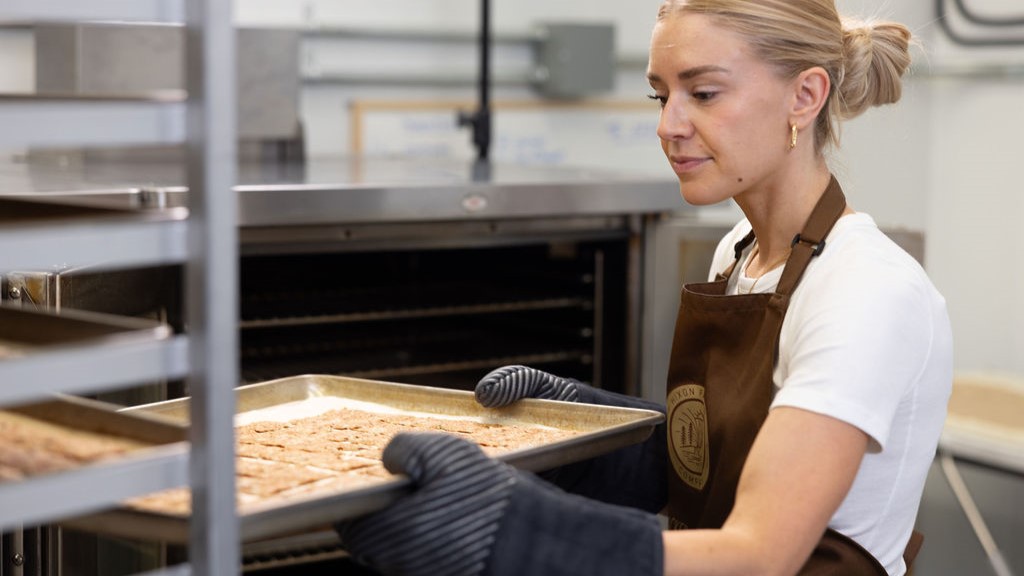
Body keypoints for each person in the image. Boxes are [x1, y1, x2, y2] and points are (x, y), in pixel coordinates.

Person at [335, 1, 953, 575]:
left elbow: (760, 556)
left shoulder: (866, 291)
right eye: (660, 95)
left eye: (703, 93)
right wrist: (597, 437)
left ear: (805, 96)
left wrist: (518, 531)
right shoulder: (741, 251)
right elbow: (738, 461)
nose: (668, 125)